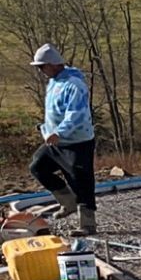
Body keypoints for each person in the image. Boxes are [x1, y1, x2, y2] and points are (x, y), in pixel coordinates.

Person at [25, 44, 96, 235]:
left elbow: (76, 114)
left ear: (54, 64)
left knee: (81, 179)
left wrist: (60, 132)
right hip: (56, 140)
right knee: (38, 167)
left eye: (42, 66)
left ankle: (87, 224)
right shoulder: (54, 82)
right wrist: (46, 128)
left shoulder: (74, 84)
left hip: (77, 142)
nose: (40, 70)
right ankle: (68, 202)